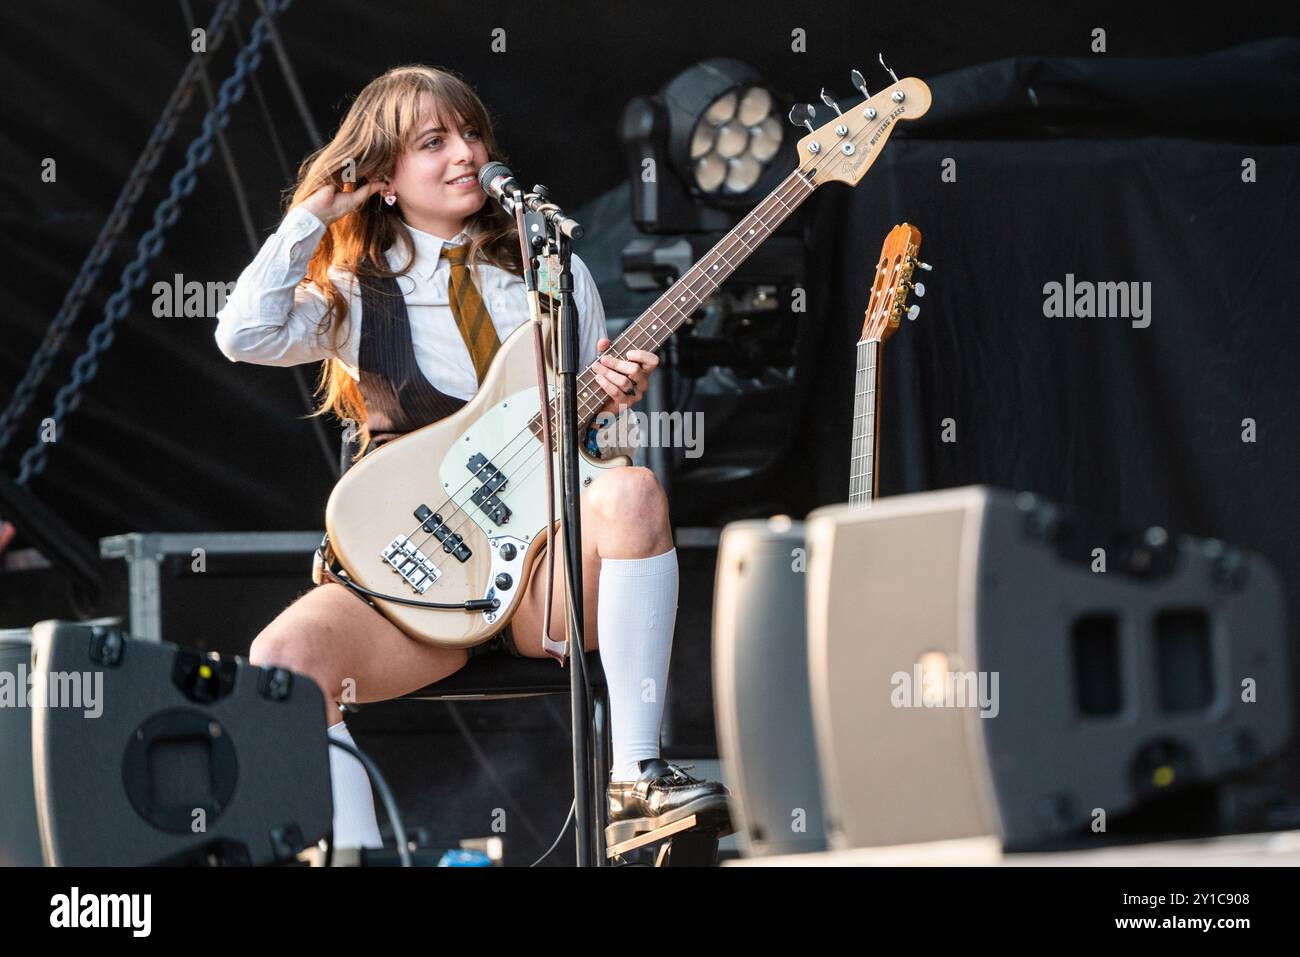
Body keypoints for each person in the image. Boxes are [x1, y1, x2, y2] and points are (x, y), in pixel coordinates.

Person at [214, 64, 729, 851]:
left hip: (534, 582)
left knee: (633, 493)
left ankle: (638, 777)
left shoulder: (551, 275)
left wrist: (607, 407)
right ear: (382, 178)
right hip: (410, 589)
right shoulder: (356, 291)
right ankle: (356, 851)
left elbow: (595, 458)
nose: (465, 153)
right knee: (282, 657)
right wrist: (313, 216)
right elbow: (243, 335)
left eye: (472, 133)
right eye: (433, 141)